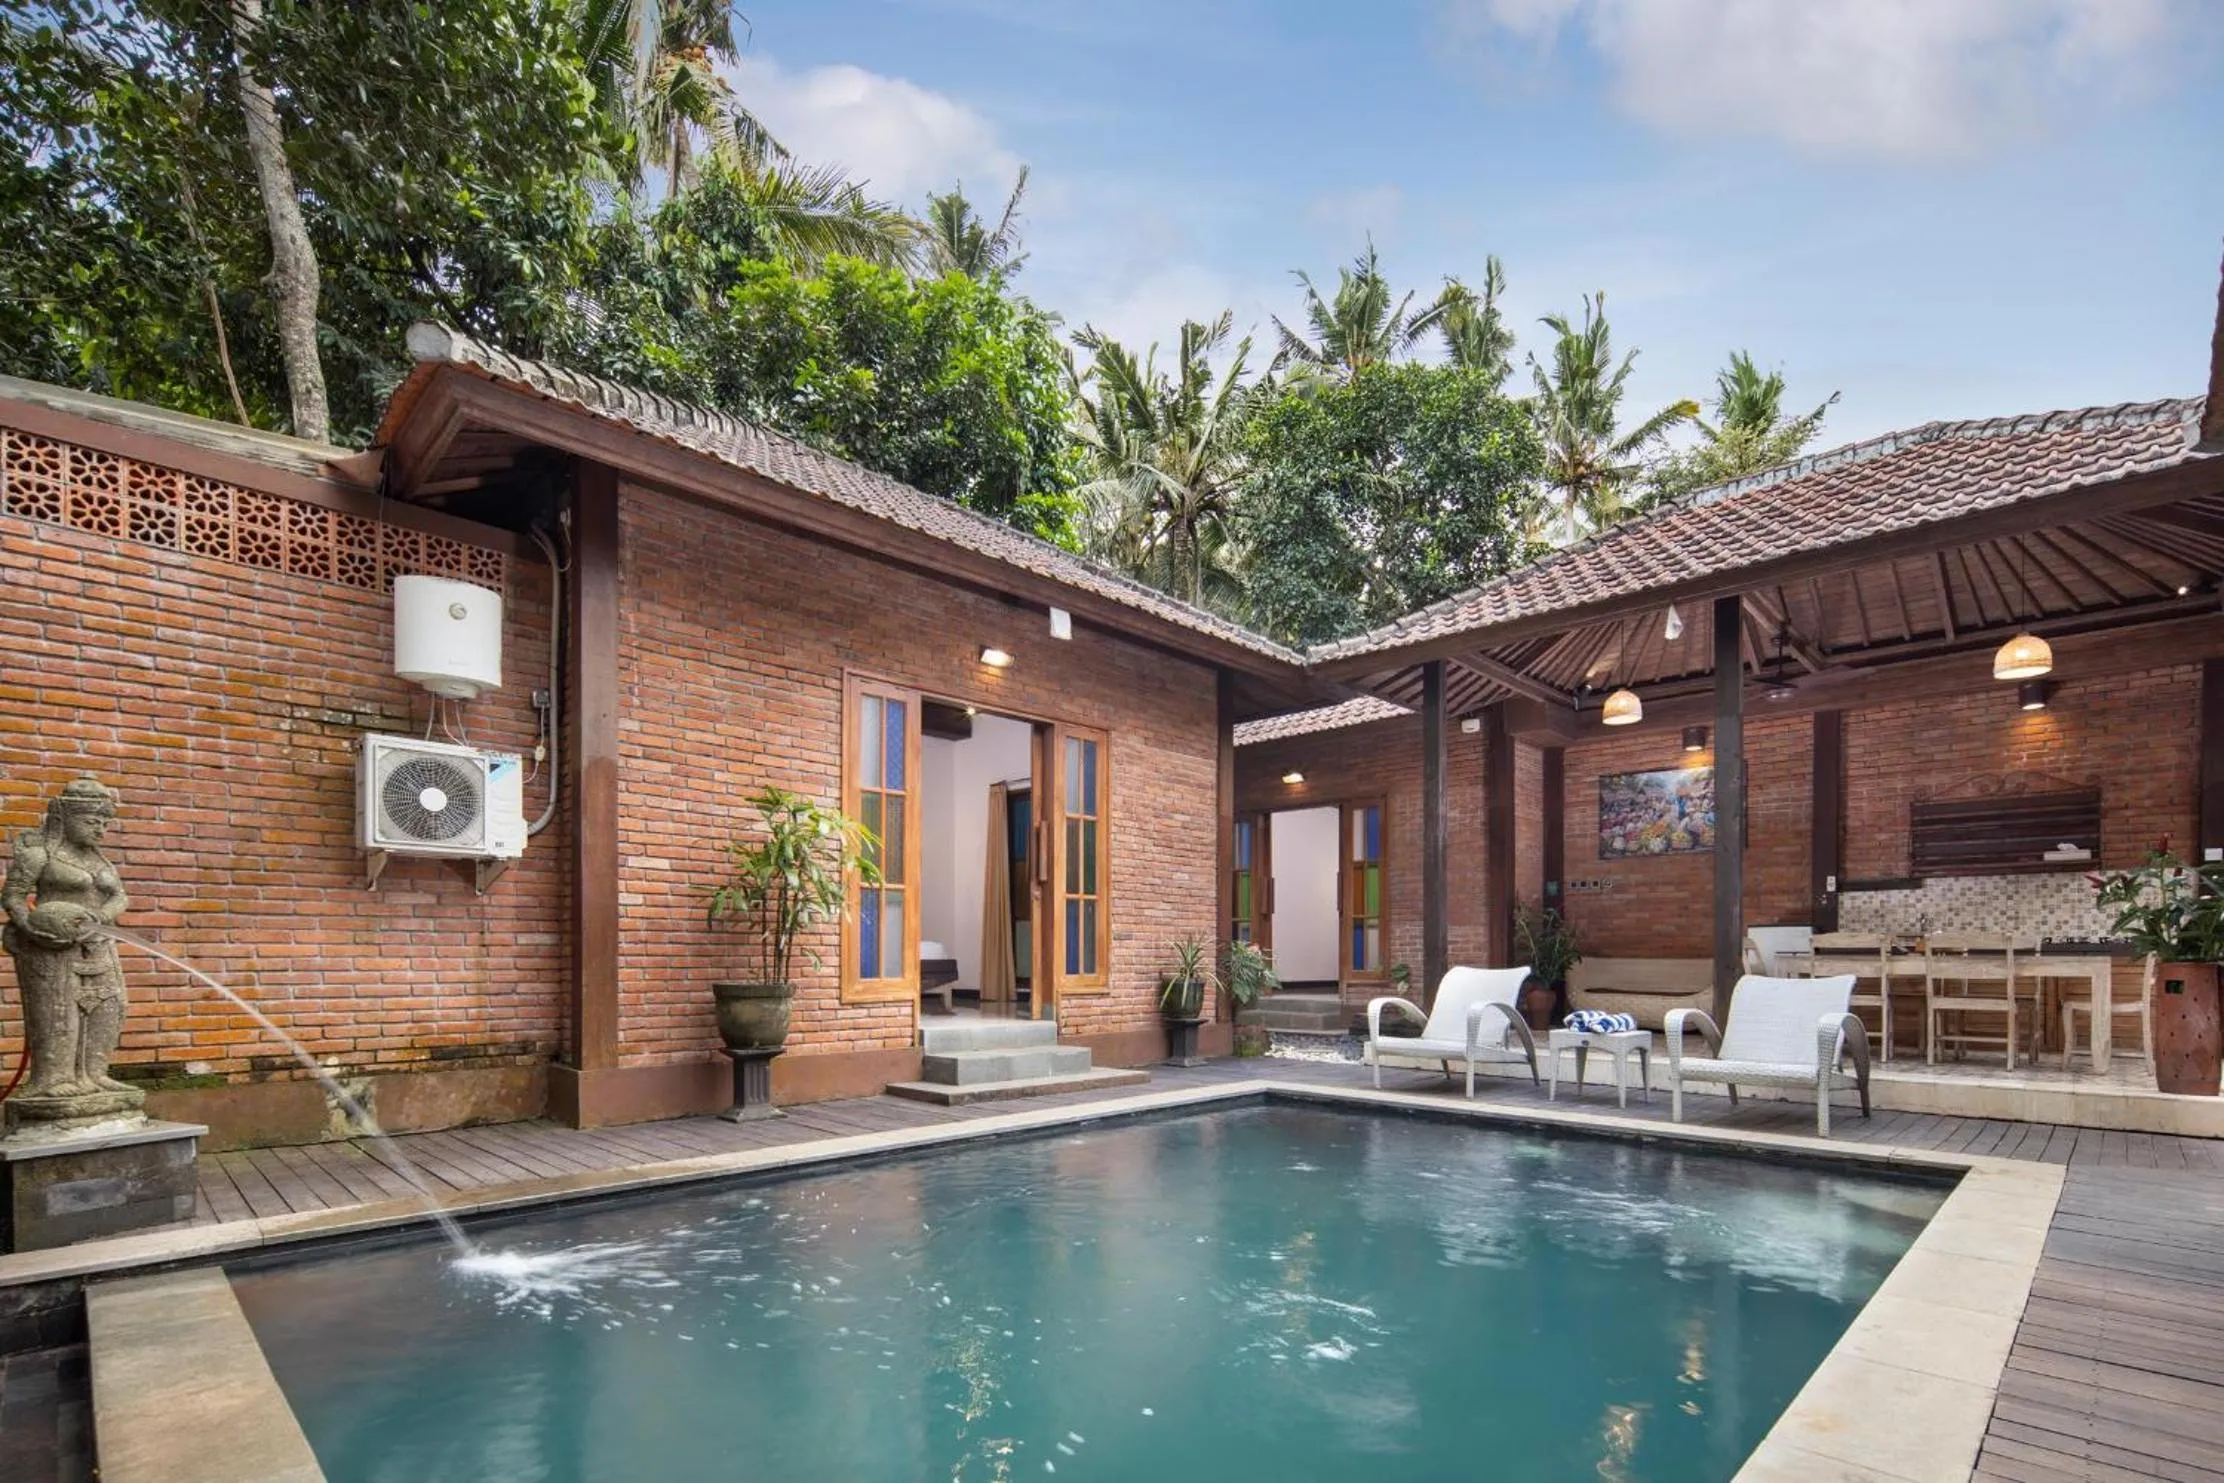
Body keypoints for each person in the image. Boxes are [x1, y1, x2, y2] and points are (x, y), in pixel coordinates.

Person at [2, 777, 137, 1107]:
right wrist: (30, 927)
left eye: (105, 822)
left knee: (111, 1005)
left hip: (98, 942)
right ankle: (55, 1078)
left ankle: (95, 1072)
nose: (100, 830)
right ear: (65, 819)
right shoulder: (40, 855)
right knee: (58, 1012)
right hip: (53, 947)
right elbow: (13, 896)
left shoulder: (100, 861)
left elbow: (120, 896)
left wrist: (104, 915)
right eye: (92, 822)